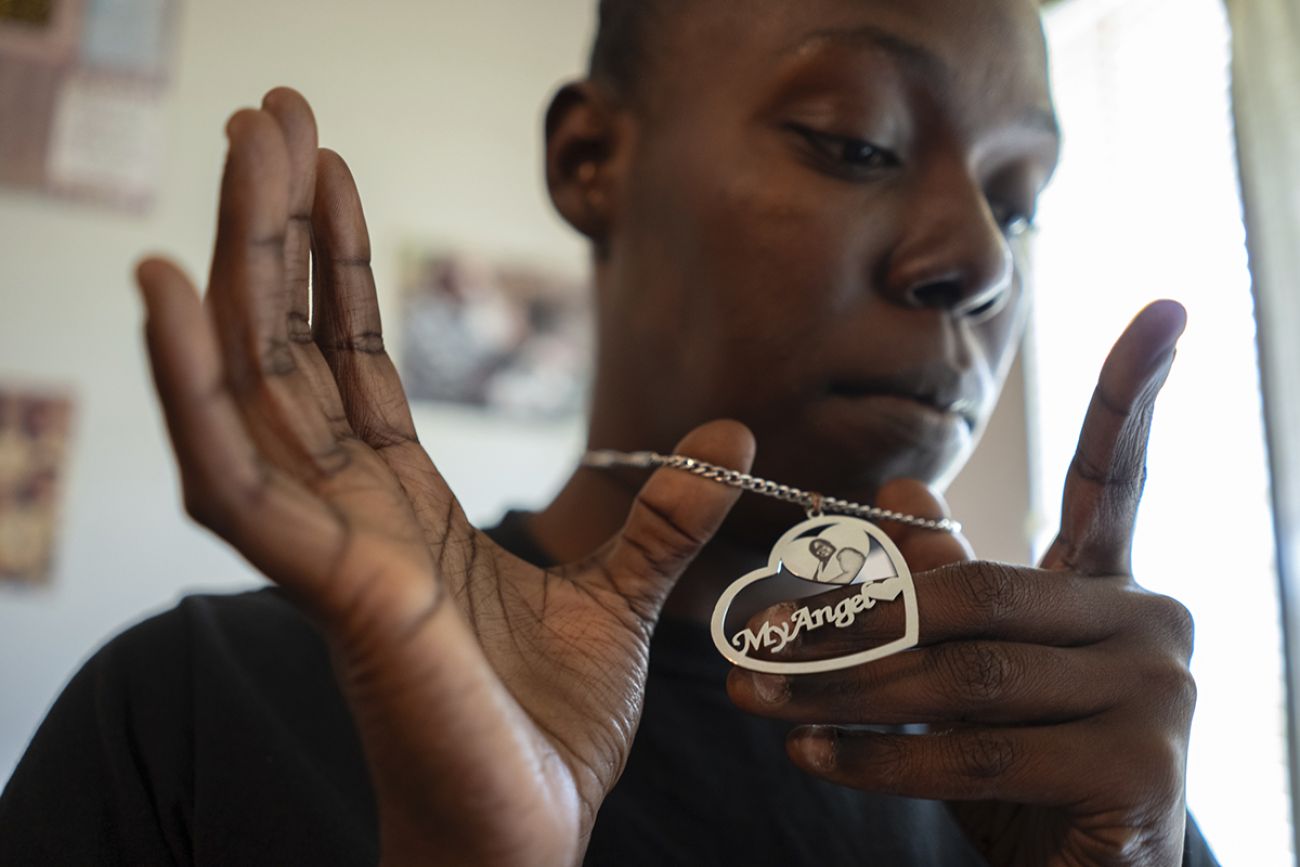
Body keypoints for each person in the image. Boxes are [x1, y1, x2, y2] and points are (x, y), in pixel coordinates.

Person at [0, 0, 1221, 864]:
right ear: (593, 159)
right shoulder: (196, 716)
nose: (976, 262)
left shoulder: (1075, 782)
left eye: (1020, 206)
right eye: (858, 143)